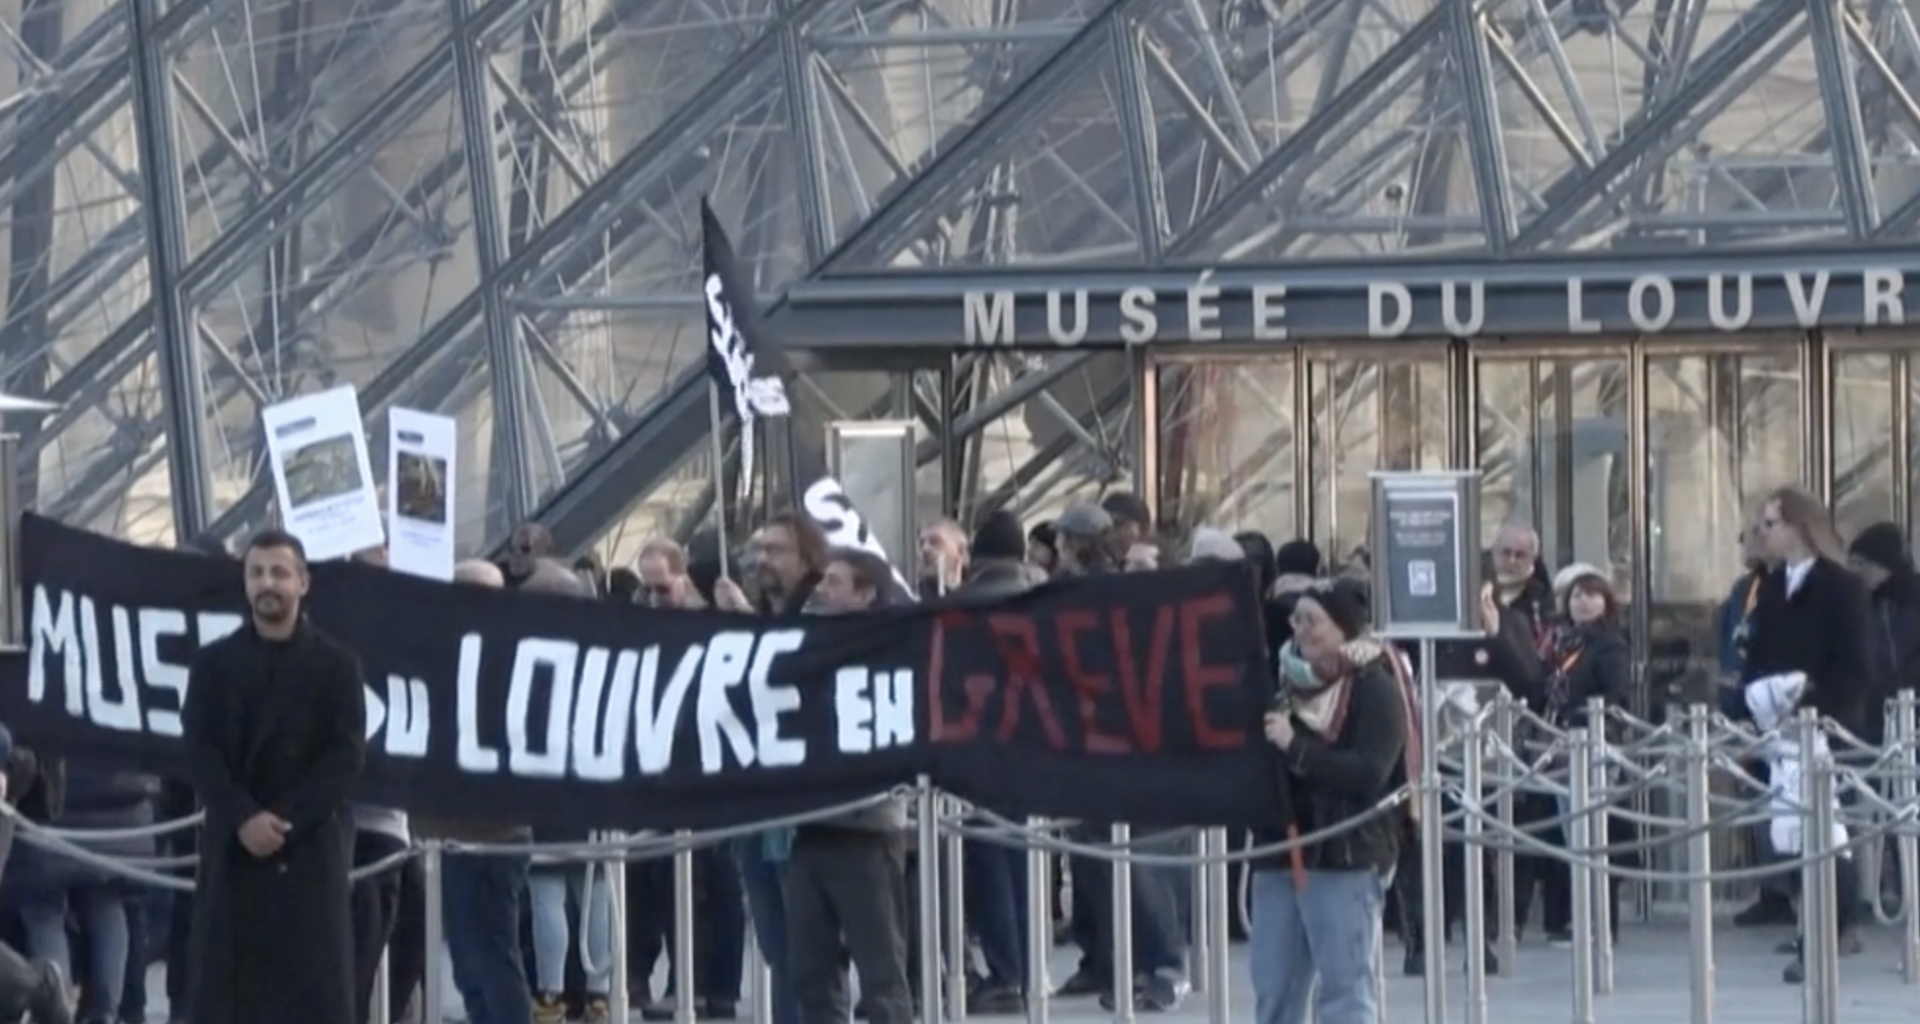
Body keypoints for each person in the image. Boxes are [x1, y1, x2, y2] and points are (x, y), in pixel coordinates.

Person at [181, 528, 368, 1024]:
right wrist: (243, 818)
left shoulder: (338, 667)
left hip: (307, 854)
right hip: (233, 854)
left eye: (279, 573)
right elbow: (200, 751)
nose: (268, 583)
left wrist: (283, 821)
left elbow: (344, 758)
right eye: (257, 572)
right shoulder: (213, 664)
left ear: (303, 582)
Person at [1250, 578, 1413, 1024]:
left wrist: (1295, 748)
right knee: (1274, 985)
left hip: (1344, 852)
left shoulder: (1374, 684)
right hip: (1279, 847)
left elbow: (1368, 772)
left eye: (1313, 621)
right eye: (1296, 619)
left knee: (1344, 987)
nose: (1300, 630)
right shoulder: (1275, 678)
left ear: (1343, 628)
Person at [1741, 486, 1872, 983]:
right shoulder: (1773, 587)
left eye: (1771, 524)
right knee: (1789, 832)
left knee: (1827, 833)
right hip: (1782, 729)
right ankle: (1809, 920)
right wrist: (1757, 705)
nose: (1764, 533)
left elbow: (1853, 664)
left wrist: (1813, 709)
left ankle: (1833, 927)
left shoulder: (1841, 586)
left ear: (1798, 526)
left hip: (1825, 726)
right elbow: (1758, 653)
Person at [786, 549, 914, 1024]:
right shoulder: (805, 645)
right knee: (811, 971)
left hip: (867, 831)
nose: (822, 588)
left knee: (882, 974)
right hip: (809, 827)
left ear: (865, 595)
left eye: (835, 582)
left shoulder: (888, 652)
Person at [415, 559, 543, 1024]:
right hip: (449, 831)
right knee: (470, 962)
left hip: (494, 833)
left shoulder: (509, 659)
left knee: (491, 953)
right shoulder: (447, 655)